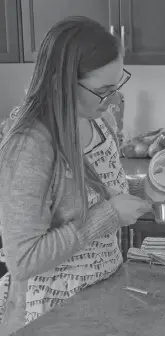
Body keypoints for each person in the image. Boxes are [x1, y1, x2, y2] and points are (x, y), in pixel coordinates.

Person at [0, 16, 151, 334]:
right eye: (103, 90)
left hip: (100, 306)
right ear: (62, 82)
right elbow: (23, 259)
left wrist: (148, 192)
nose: (113, 100)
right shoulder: (31, 145)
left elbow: (102, 191)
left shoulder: (99, 120)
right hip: (49, 318)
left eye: (118, 84)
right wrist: (108, 217)